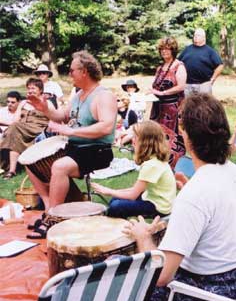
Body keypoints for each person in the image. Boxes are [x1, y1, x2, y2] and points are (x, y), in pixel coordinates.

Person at [123, 93, 236, 301]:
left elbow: (161, 276)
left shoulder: (196, 194)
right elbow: (219, 213)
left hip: (209, 297)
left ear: (186, 135)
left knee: (127, 286)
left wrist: (142, 237)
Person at [26, 51, 116, 223]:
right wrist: (44, 108)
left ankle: (54, 219)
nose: (69, 74)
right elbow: (61, 116)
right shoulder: (77, 95)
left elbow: (106, 126)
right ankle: (49, 208)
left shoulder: (104, 95)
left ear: (84, 71)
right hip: (74, 148)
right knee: (31, 162)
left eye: (71, 70)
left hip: (97, 150)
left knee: (60, 167)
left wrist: (71, 131)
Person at [91, 121, 176, 218]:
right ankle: (119, 225)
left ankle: (116, 229)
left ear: (146, 142)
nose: (133, 140)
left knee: (116, 206)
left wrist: (107, 191)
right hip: (153, 198)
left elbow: (133, 195)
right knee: (115, 200)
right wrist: (114, 192)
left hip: (160, 207)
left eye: (136, 137)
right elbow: (136, 190)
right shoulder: (154, 159)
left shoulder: (151, 165)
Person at [0, 79, 53, 178]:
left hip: (38, 127)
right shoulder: (26, 102)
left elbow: (54, 117)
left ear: (40, 90)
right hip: (22, 129)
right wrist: (20, 106)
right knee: (14, 133)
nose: (30, 90)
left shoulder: (46, 101)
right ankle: (12, 170)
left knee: (13, 130)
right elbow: (15, 121)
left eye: (33, 88)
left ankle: (7, 167)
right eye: (28, 88)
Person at [150, 36, 187, 167]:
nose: (164, 52)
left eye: (167, 49)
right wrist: (151, 90)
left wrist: (163, 93)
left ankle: (175, 164)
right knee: (157, 134)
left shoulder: (179, 66)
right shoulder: (160, 68)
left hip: (173, 108)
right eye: (162, 49)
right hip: (158, 108)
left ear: (173, 50)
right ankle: (159, 161)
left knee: (173, 137)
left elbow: (181, 86)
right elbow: (156, 85)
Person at [178, 28, 224, 96]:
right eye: (194, 35)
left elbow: (220, 65)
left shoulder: (210, 51)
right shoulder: (187, 49)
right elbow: (178, 62)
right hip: (187, 85)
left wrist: (213, 79)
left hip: (204, 85)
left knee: (204, 106)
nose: (195, 37)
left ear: (204, 38)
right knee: (187, 106)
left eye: (198, 35)